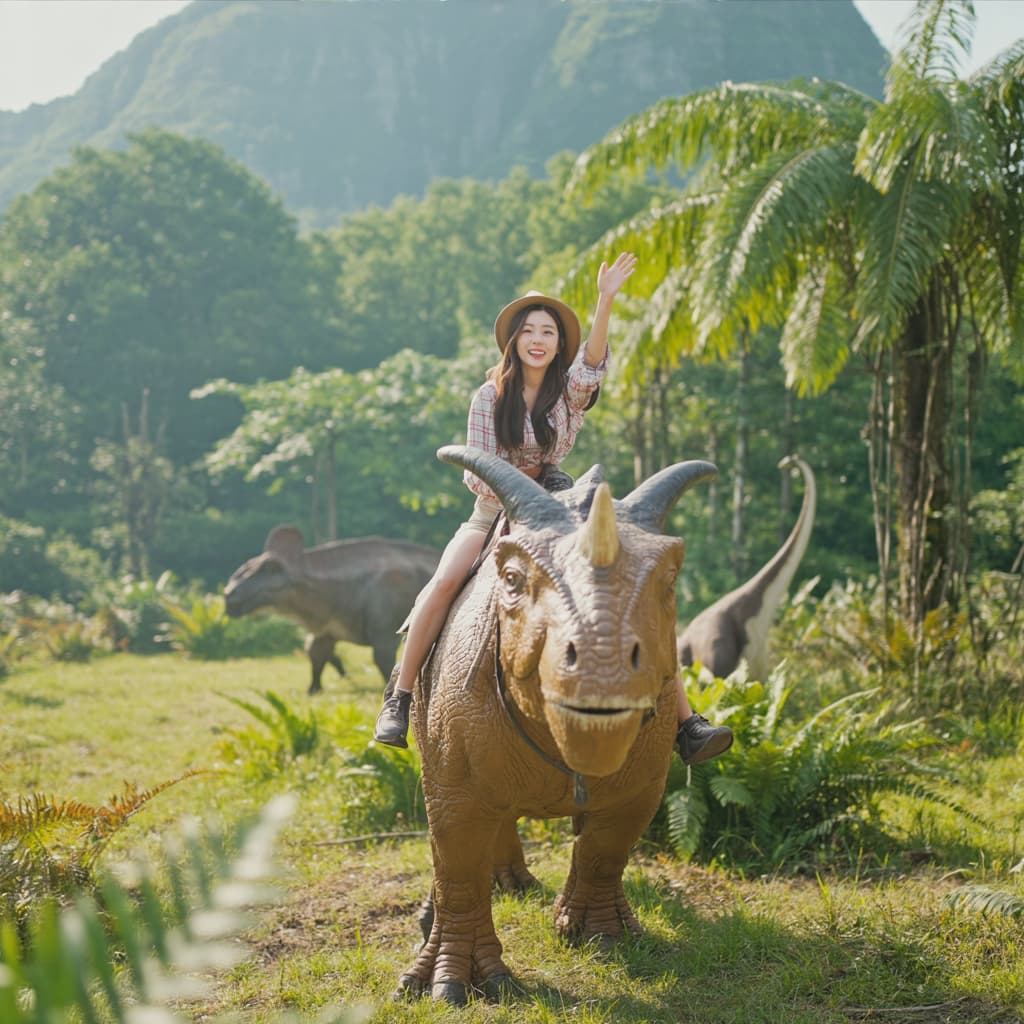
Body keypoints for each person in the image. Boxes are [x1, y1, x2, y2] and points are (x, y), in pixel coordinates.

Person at [374, 252, 732, 765]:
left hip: (559, 510)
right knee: (444, 583)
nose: (539, 340)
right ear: (514, 341)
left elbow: (593, 367)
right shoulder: (489, 395)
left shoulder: (568, 393)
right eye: (529, 331)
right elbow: (478, 475)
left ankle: (686, 723)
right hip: (494, 509)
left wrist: (605, 299)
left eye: (548, 332)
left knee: (630, 593)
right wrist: (521, 485)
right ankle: (400, 699)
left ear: (558, 344)